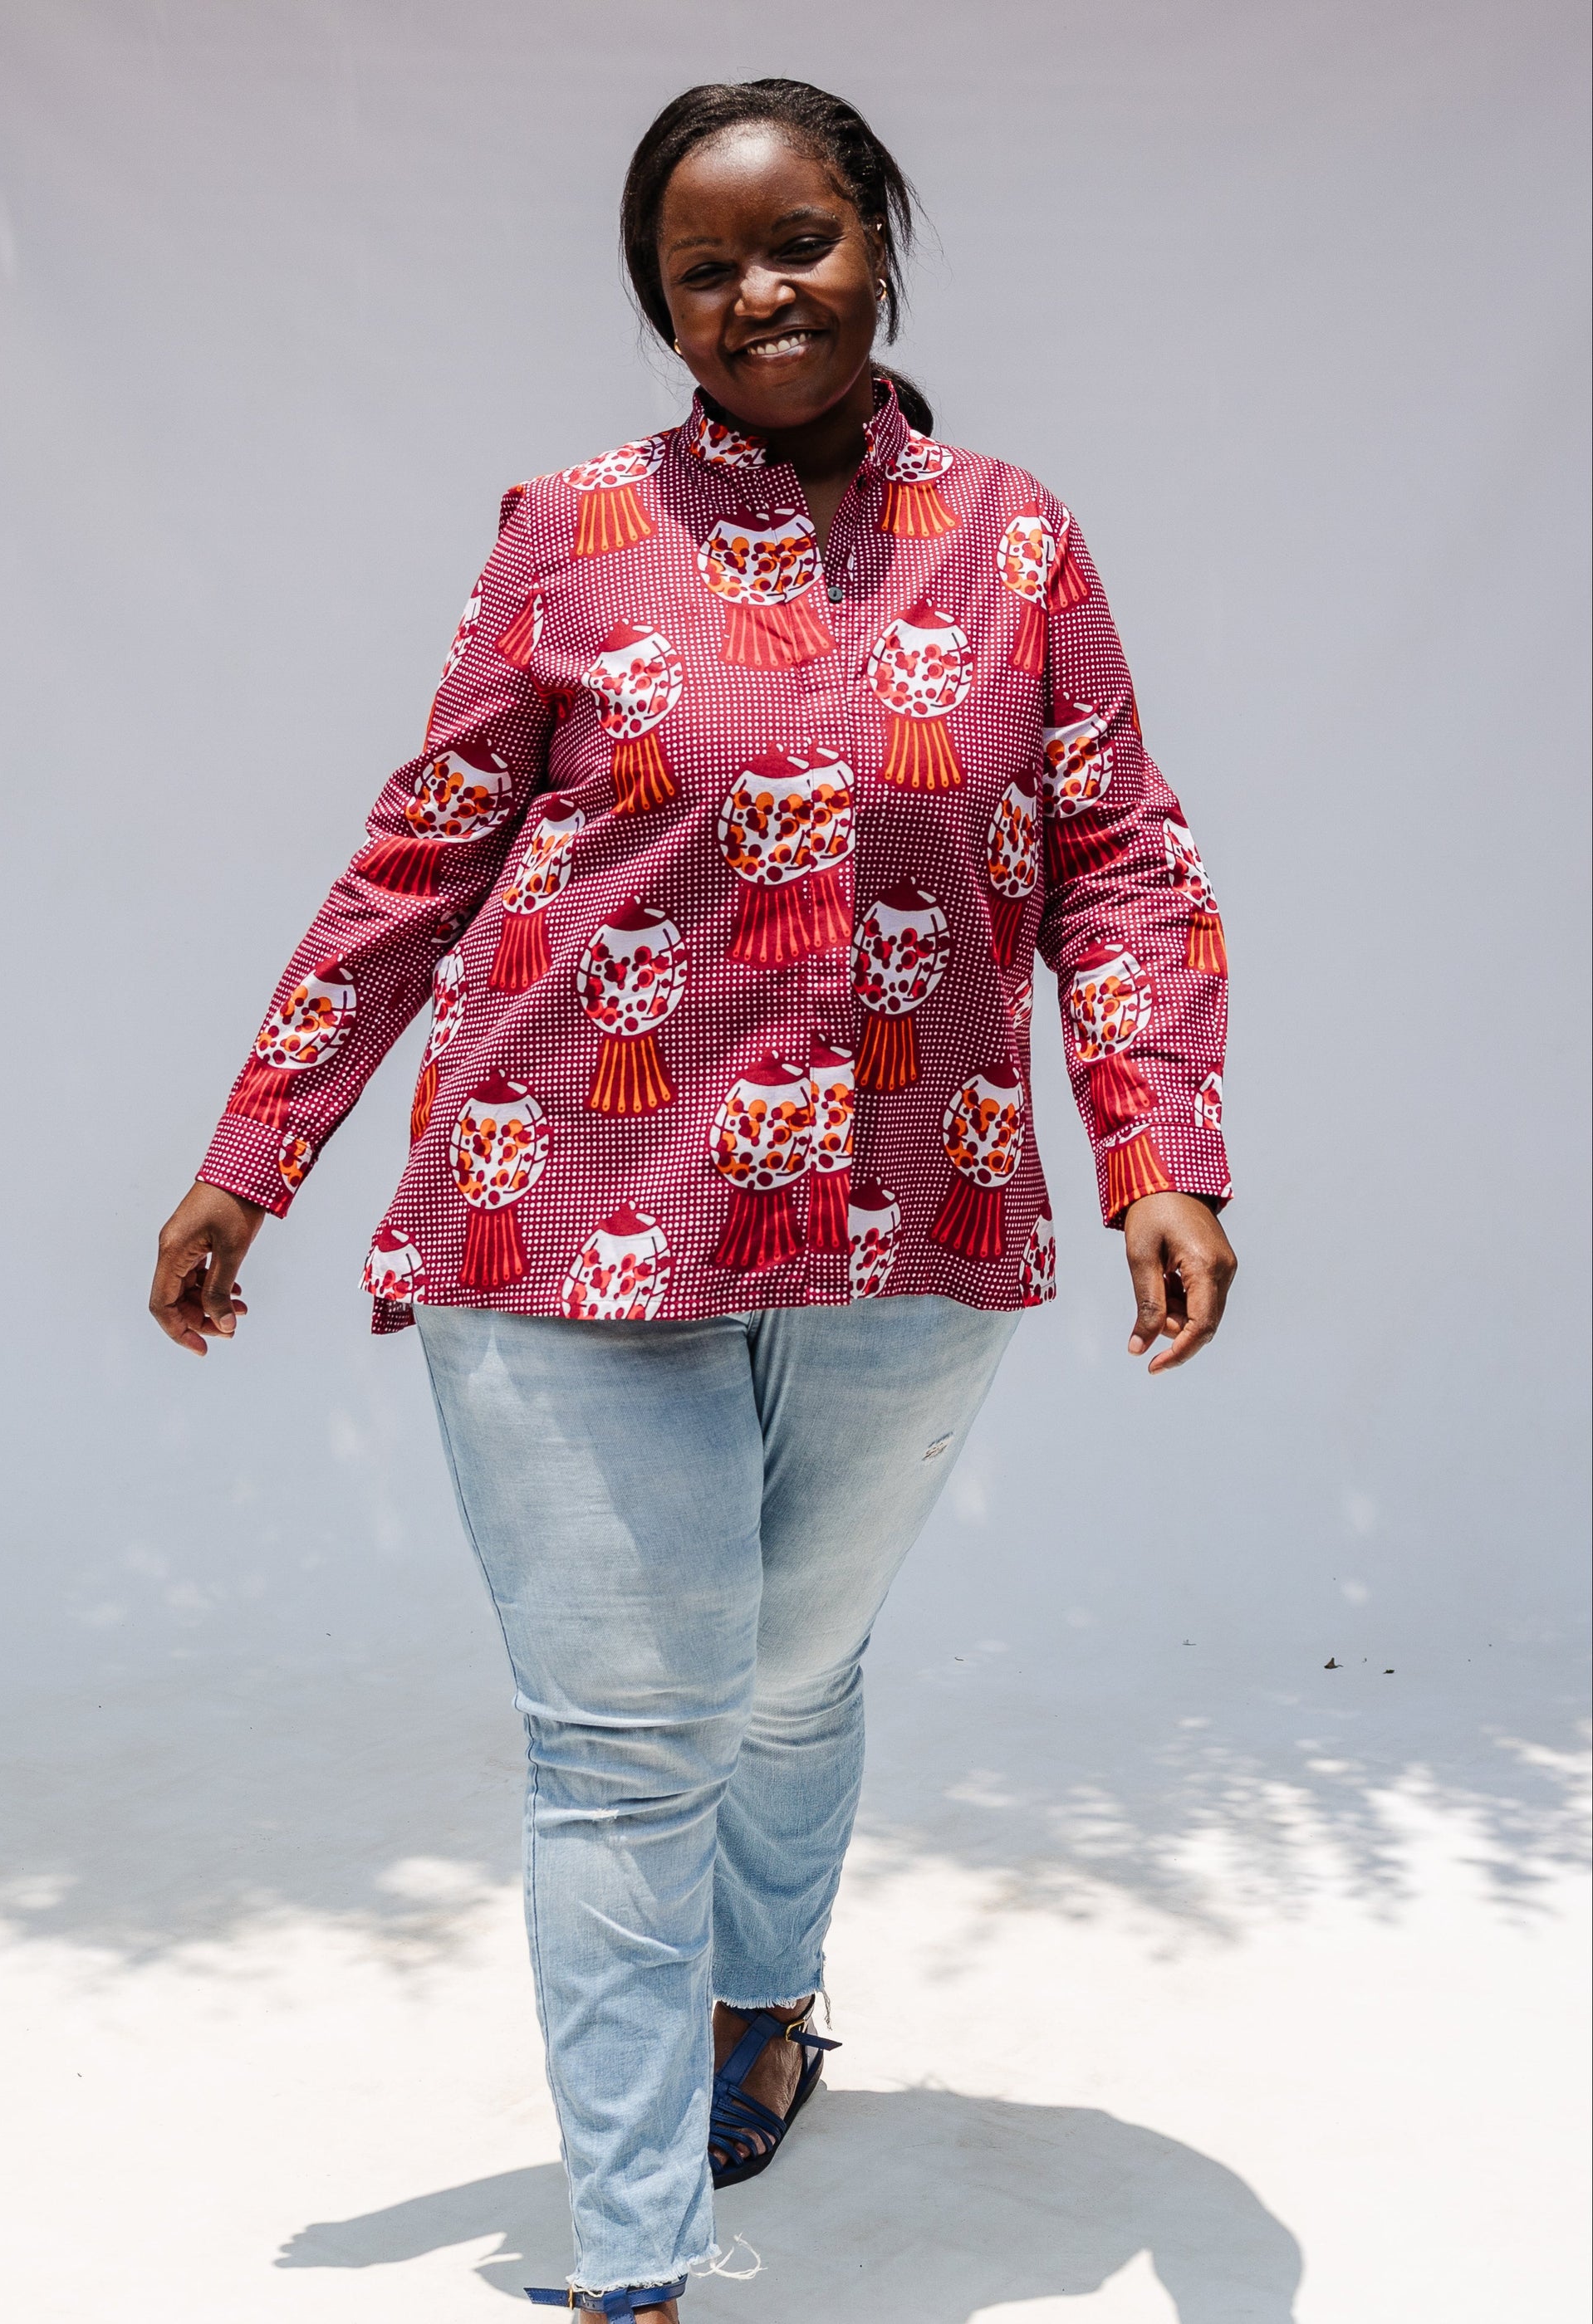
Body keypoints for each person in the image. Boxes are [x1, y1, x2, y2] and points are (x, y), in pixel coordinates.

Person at [149, 77, 1238, 2322]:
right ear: (660, 302)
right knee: (628, 1744)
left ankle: (771, 1995)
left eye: (805, 241)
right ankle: (637, 2261)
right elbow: (420, 857)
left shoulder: (1017, 539)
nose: (762, 296)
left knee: (789, 1679)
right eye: (705, 269)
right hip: (563, 1216)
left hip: (911, 1228)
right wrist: (257, 1156)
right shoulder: (571, 526)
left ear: (884, 241)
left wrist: (1160, 1150)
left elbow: (1120, 854)